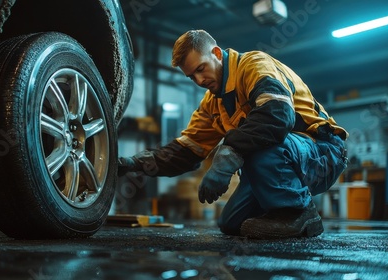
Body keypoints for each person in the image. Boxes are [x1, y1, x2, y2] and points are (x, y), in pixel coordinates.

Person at [118, 29, 348, 239]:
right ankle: (281, 210)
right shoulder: (212, 103)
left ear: (217, 53)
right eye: (191, 77)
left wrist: (228, 152)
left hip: (323, 152)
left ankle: (298, 213)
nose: (199, 81)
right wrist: (134, 164)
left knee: (262, 145)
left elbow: (277, 117)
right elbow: (186, 150)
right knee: (232, 223)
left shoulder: (254, 65)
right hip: (282, 157)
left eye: (200, 69)